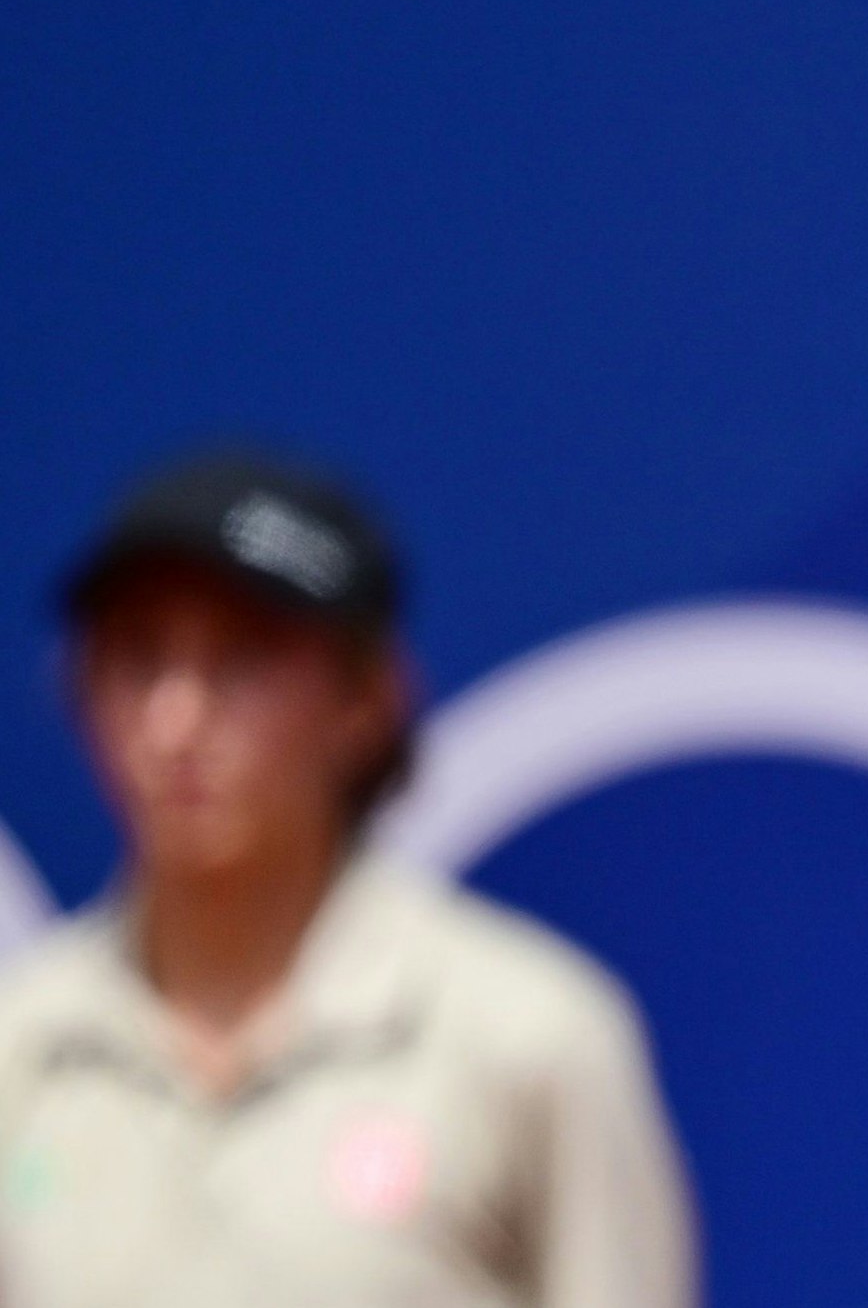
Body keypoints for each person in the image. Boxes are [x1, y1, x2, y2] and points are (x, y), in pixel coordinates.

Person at [0, 451, 698, 1308]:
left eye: (242, 660)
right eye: (139, 660)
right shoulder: (17, 1045)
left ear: (365, 698)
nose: (176, 721)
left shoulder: (532, 1036)